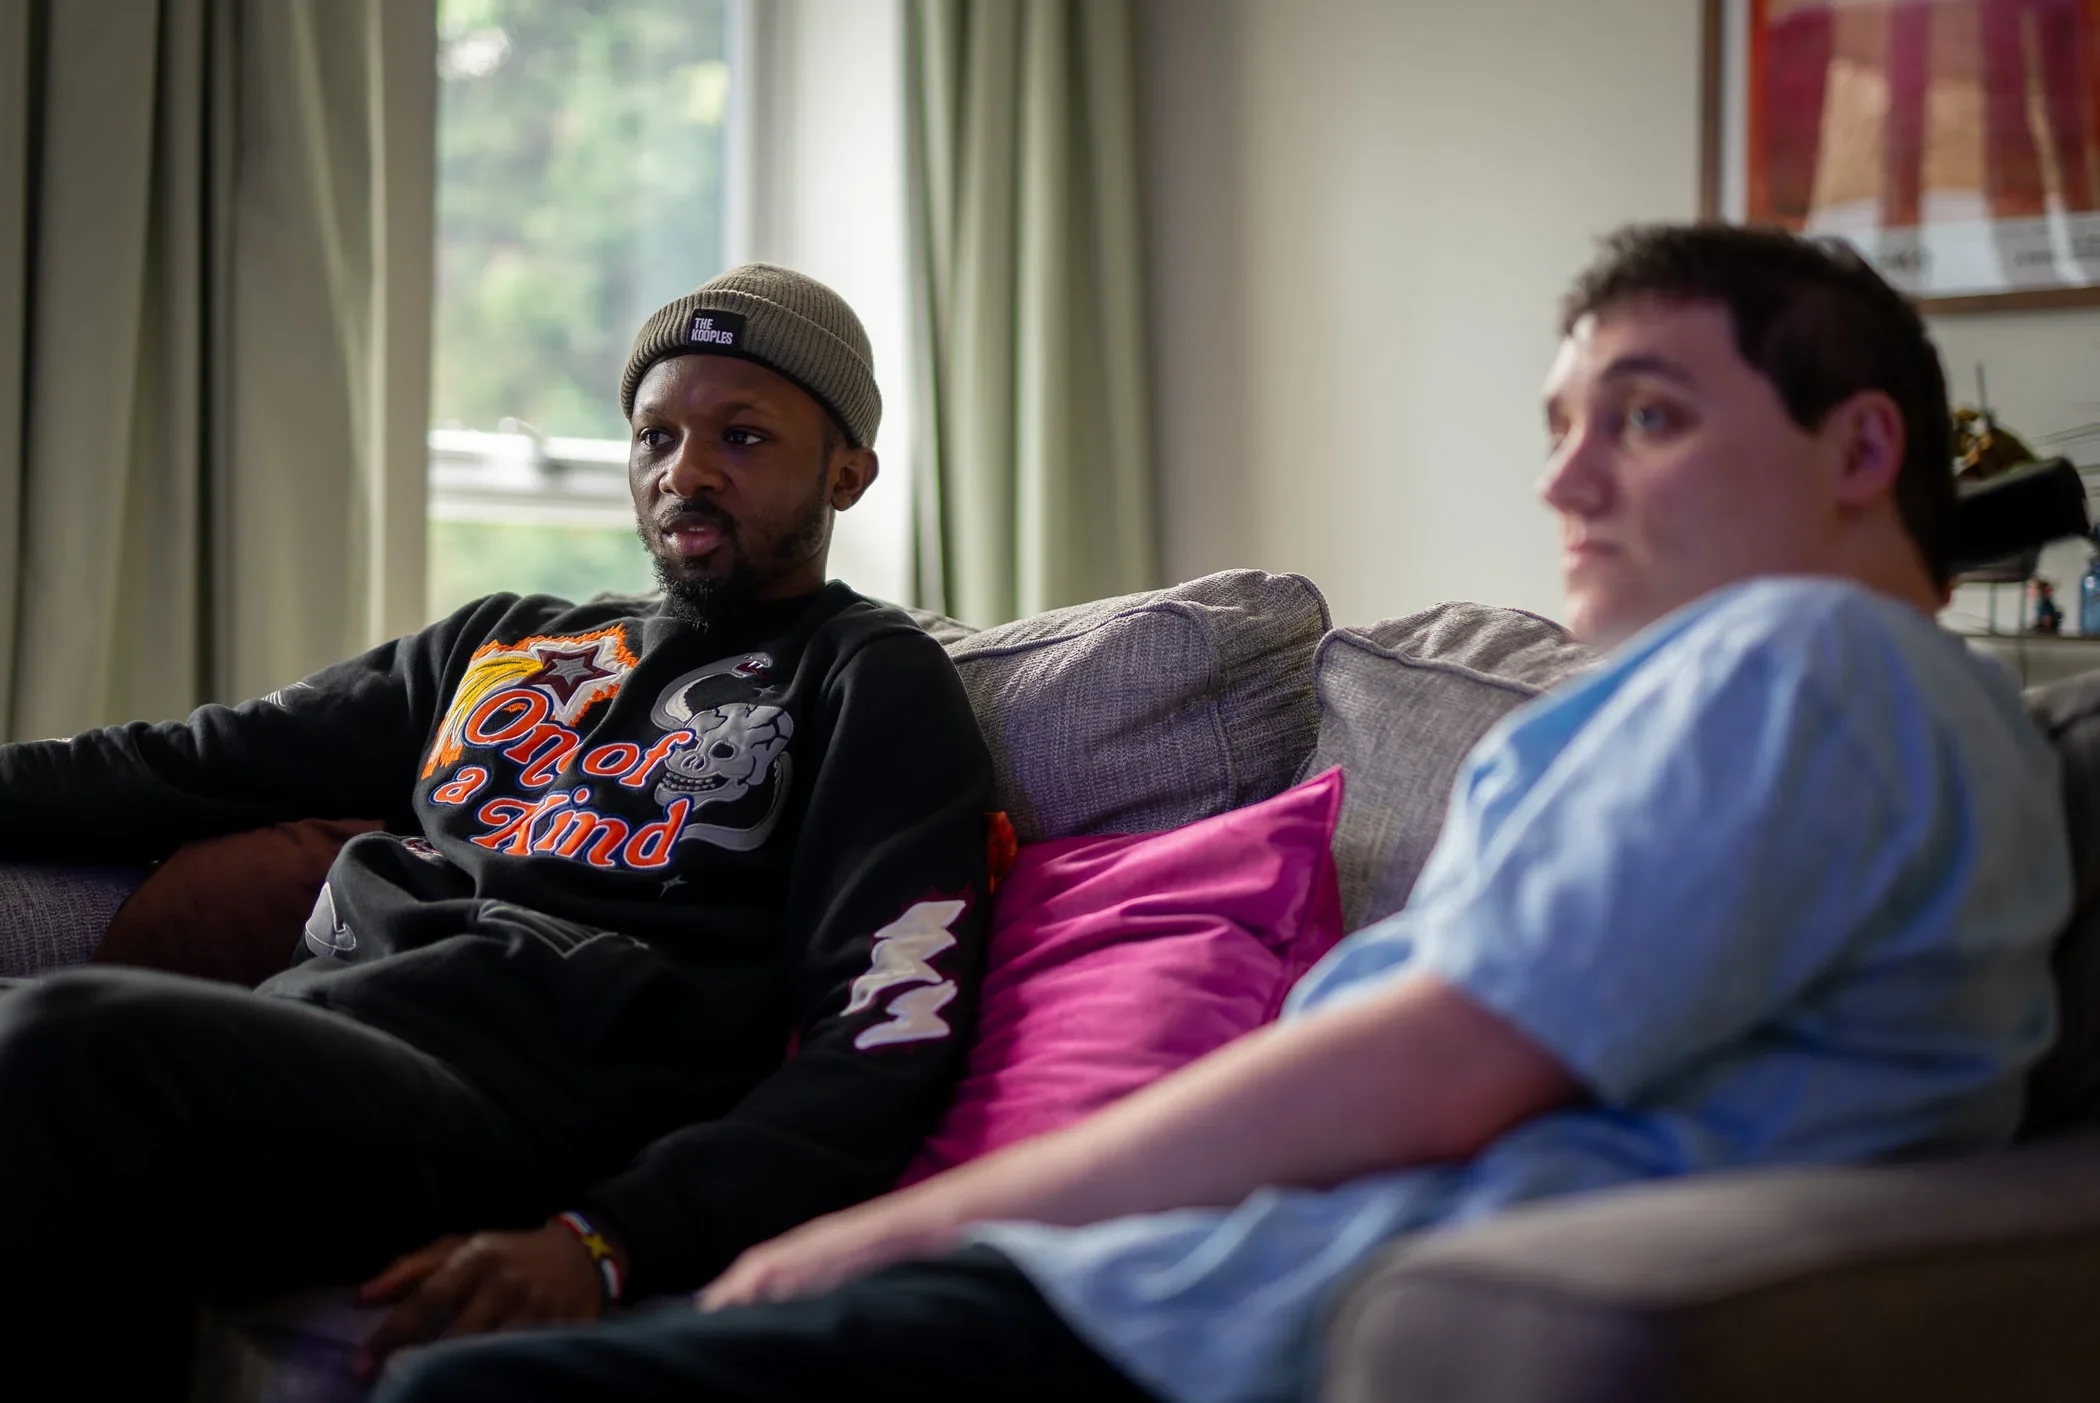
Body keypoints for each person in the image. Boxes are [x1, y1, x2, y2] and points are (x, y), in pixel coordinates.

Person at [375, 223, 2075, 1403]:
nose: (1563, 482)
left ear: (1861, 448)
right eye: (1561, 427)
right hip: (1190, 1289)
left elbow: (1438, 1059)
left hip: (1225, 1331)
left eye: (1646, 416)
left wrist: (901, 1220)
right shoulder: (1724, 703)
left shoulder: (1821, 658)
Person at [0, 264, 994, 1400]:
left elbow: (891, 1024)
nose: (688, 472)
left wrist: (608, 1234)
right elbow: (184, 765)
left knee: (69, 1045)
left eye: (744, 436)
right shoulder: (501, 642)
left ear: (847, 472)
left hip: (512, 1111)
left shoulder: (867, 675)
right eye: (655, 434)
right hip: (294, 1051)